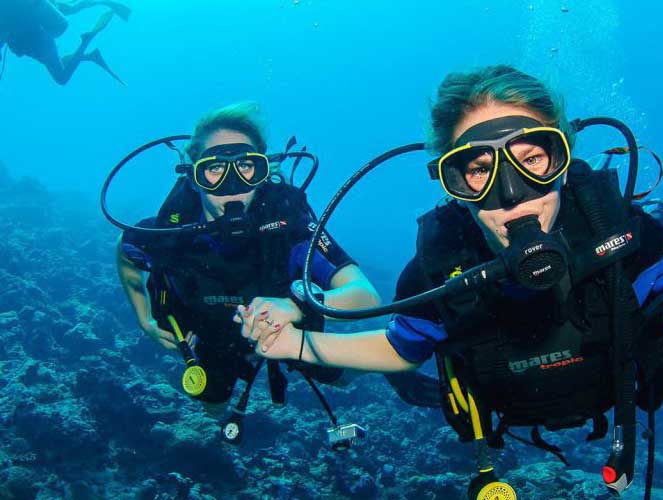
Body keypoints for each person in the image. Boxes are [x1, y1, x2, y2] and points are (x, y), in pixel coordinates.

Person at [240, 65, 663, 498]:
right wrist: (296, 344)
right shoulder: (442, 263)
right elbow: (400, 348)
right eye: (479, 170)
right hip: (504, 415)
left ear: (563, 158)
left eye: (533, 160)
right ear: (452, 180)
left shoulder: (618, 233)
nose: (514, 195)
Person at [115, 102, 437, 445]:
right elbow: (126, 254)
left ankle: (385, 367)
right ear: (193, 176)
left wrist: (296, 306)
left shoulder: (288, 225)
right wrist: (146, 322)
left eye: (246, 167)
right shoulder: (171, 230)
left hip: (289, 328)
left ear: (264, 170)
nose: (232, 185)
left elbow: (363, 294)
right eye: (214, 170)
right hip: (212, 334)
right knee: (211, 406)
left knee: (340, 377)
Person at [0, 0, 129, 85]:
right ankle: (87, 55)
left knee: (61, 77)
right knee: (72, 8)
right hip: (40, 20)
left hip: (37, 35)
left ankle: (86, 42)